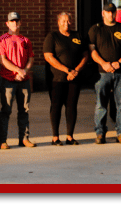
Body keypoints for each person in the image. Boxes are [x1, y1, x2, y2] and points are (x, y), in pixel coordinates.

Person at [88, 2, 121, 144]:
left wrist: (119, 62)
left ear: (116, 13)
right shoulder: (95, 30)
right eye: (108, 12)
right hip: (102, 73)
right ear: (103, 13)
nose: (111, 14)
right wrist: (103, 64)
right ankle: (100, 133)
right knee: (100, 104)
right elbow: (92, 50)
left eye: (113, 12)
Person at [43, 12, 89, 146]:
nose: (66, 23)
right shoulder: (52, 37)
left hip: (74, 78)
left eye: (68, 21)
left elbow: (85, 55)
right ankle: (55, 137)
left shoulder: (78, 36)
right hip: (57, 79)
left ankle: (70, 136)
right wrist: (67, 70)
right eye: (63, 21)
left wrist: (76, 71)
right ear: (58, 23)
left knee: (71, 107)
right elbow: (49, 57)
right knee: (56, 107)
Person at [0, 11, 35, 149]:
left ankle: (24, 139)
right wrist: (17, 70)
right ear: (7, 23)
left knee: (24, 110)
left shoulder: (26, 40)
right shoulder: (2, 40)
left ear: (20, 23)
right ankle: (2, 141)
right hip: (8, 80)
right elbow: (2, 60)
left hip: (24, 80)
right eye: (12, 21)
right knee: (6, 110)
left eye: (17, 21)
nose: (15, 23)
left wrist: (25, 71)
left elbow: (31, 58)